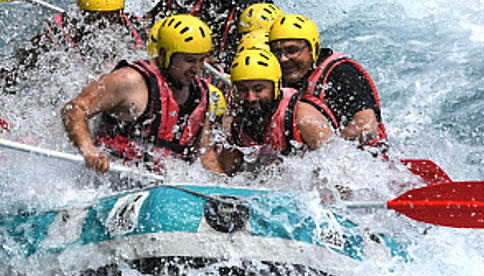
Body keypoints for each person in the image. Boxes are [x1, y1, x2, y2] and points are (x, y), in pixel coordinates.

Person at [61, 14, 220, 174]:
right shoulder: (130, 80)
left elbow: (206, 157)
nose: (197, 68)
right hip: (108, 182)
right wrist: (89, 151)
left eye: (201, 60)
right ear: (164, 54)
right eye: (189, 60)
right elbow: (74, 109)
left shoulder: (201, 94)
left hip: (163, 190)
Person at [0, 0, 146, 93]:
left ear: (121, 13)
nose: (103, 25)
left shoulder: (138, 29)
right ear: (83, 15)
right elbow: (13, 67)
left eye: (111, 17)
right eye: (96, 17)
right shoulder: (59, 35)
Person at [206, 48, 336, 176]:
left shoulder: (302, 117)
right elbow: (229, 174)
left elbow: (337, 168)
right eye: (242, 90)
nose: (250, 97)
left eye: (258, 89)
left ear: (275, 86)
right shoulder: (236, 124)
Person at [267, 14, 387, 149]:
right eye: (277, 52)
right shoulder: (277, 75)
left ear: (314, 48)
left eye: (292, 50)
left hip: (366, 160)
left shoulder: (341, 73)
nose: (283, 59)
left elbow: (367, 126)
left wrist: (329, 151)